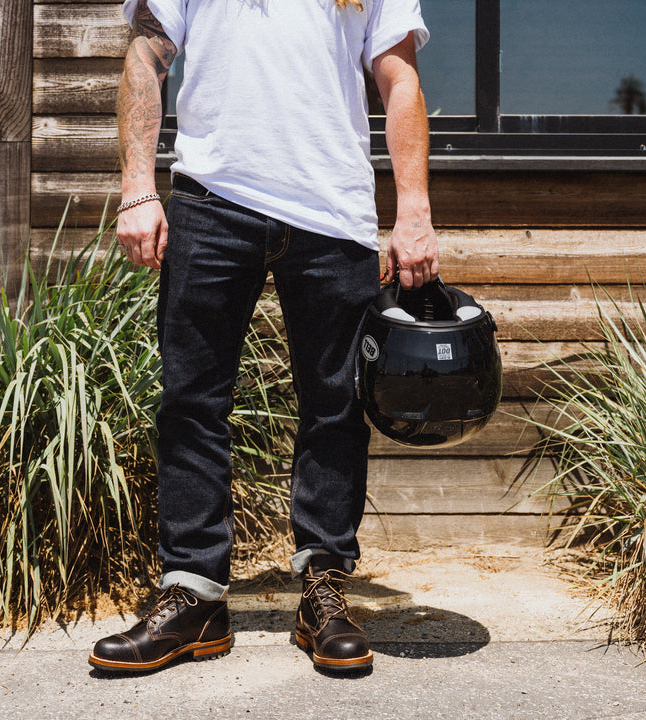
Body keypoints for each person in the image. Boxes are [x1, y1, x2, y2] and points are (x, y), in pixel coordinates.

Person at [88, 0, 438, 674]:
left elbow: (399, 80)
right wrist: (137, 184)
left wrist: (414, 210)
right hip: (213, 199)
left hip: (331, 209)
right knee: (191, 400)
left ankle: (324, 588)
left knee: (335, 404)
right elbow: (146, 54)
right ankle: (194, 594)